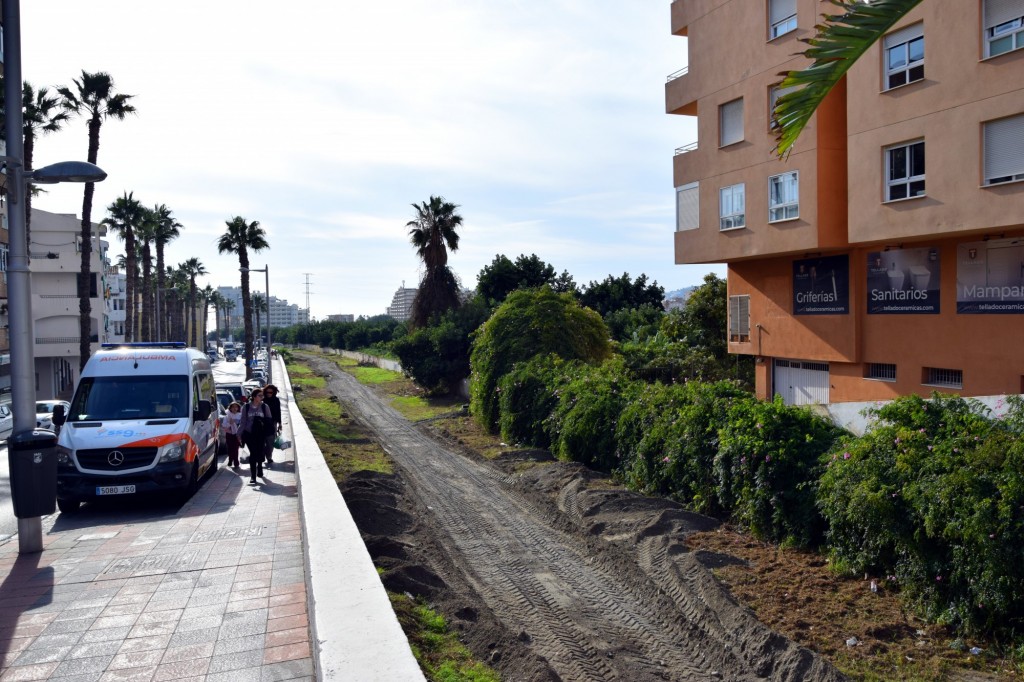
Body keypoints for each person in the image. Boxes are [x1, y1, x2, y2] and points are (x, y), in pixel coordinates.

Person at [239, 389, 274, 485]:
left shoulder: (264, 407)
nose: (261, 397)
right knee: (253, 454)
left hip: (261, 434)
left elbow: (269, 420)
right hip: (249, 434)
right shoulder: (246, 407)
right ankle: (253, 476)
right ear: (254, 396)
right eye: (259, 395)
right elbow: (243, 422)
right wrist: (239, 434)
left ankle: (260, 468)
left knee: (260, 452)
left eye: (262, 396)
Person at [262, 384, 282, 466]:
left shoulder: (276, 400)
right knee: (262, 441)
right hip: (262, 423)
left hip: (272, 423)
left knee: (271, 441)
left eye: (271, 392)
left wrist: (280, 423)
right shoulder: (262, 400)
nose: (269, 394)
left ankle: (269, 457)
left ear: (274, 392)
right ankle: (262, 455)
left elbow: (278, 411)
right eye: (267, 392)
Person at [221, 402, 242, 468]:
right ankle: (230, 459)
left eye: (236, 407)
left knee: (236, 448)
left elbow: (242, 424)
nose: (234, 408)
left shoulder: (240, 415)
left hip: (237, 435)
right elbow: (224, 426)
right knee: (230, 448)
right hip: (229, 434)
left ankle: (236, 461)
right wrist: (230, 423)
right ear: (230, 408)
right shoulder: (227, 416)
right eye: (233, 407)